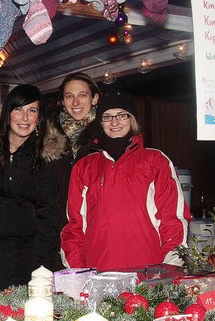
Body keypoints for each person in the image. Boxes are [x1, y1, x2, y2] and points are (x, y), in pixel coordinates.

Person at [61, 89, 190, 271]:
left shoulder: (155, 161)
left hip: (147, 274)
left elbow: (173, 219)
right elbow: (74, 228)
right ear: (100, 122)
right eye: (107, 117)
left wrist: (168, 267)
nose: (114, 122)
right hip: (99, 273)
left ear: (132, 119)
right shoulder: (84, 167)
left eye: (122, 115)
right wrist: (79, 271)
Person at [0, 84, 67, 289]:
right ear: (8, 113)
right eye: (18, 109)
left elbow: (49, 216)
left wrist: (42, 266)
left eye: (32, 111)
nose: (25, 118)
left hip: (30, 257)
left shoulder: (46, 157)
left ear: (39, 118)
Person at [55, 73, 101, 230]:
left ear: (94, 98)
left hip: (97, 226)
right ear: (62, 101)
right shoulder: (48, 137)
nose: (75, 102)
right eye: (69, 96)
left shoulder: (106, 136)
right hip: (60, 227)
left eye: (82, 95)